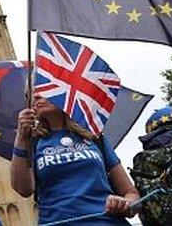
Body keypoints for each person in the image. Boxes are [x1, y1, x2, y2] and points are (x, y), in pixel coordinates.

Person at [11, 94, 139, 225]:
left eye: (44, 89)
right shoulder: (31, 142)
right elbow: (23, 189)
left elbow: (131, 194)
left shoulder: (95, 137)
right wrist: (21, 136)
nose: (36, 96)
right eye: (31, 94)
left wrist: (125, 205)